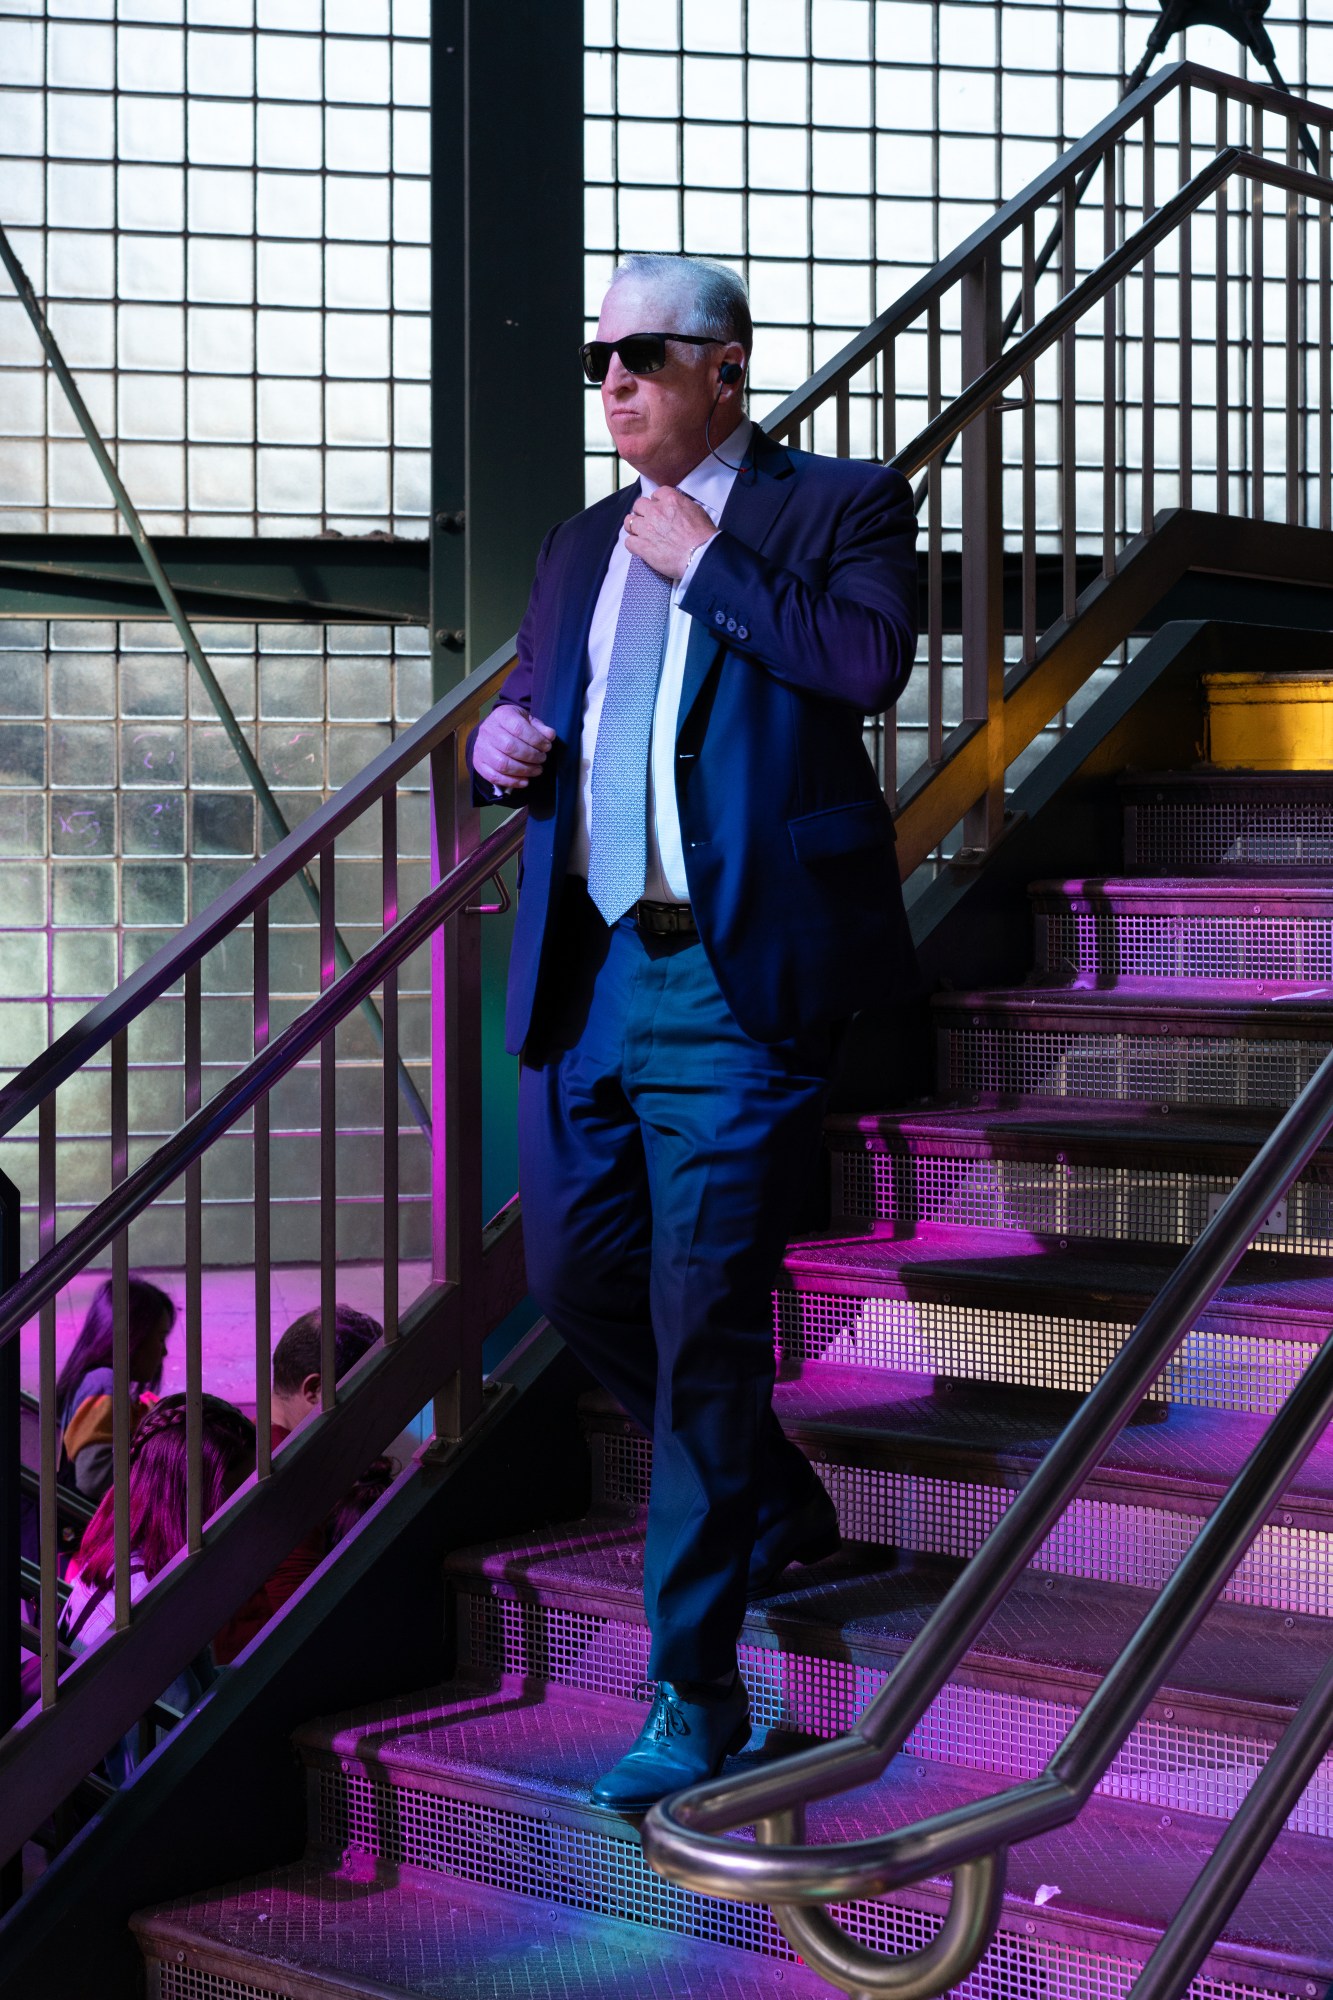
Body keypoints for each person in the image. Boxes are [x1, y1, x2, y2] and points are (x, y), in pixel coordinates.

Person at [467, 252, 918, 1812]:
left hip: (737, 988)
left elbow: (865, 665)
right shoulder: (578, 540)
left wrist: (707, 554)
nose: (611, 388)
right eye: (597, 363)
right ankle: (777, 1499)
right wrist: (500, 741)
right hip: (592, 979)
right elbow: (546, 706)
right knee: (572, 1279)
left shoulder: (833, 504)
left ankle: (694, 1689)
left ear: (725, 364)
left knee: (702, 1323)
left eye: (640, 357)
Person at [61, 1392, 256, 1781]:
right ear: (193, 1502)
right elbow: (170, 1767)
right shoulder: (150, 1613)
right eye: (232, 1498)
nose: (245, 1511)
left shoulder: (120, 1561)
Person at [212, 1303, 384, 1664]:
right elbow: (301, 1618)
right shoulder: (289, 1474)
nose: (371, 1413)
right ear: (315, 1388)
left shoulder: (249, 1443)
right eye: (365, 1395)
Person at [54, 1274, 175, 1504]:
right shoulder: (104, 1384)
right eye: (160, 1339)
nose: (164, 1352)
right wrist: (158, 1448)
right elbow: (93, 1478)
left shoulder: (99, 1382)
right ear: (134, 1337)